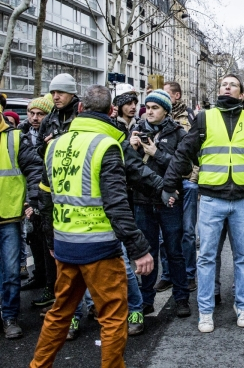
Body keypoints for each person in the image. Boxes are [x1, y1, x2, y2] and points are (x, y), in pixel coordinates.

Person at [29, 85, 153, 366]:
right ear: (111, 111)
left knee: (60, 312)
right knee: (112, 316)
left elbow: (44, 200)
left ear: (81, 108)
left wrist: (51, 242)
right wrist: (139, 249)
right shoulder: (106, 145)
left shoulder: (54, 145)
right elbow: (116, 204)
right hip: (99, 247)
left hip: (65, 244)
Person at [161, 74, 244, 333]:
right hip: (211, 199)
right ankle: (206, 311)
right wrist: (168, 185)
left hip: (243, 200)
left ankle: (243, 307)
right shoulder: (205, 118)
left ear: (242, 93)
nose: (226, 87)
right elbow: (184, 152)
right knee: (206, 257)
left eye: (232, 84)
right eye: (223, 84)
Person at [129, 89, 191, 317]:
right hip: (142, 200)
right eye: (147, 107)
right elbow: (130, 168)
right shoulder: (137, 131)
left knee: (174, 251)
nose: (149, 111)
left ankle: (181, 299)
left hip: (170, 201)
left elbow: (185, 168)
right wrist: (132, 149)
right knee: (148, 252)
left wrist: (157, 153)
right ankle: (146, 300)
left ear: (166, 110)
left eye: (155, 107)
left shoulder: (178, 133)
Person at [32, 73, 81, 309]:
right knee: (51, 243)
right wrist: (47, 145)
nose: (55, 96)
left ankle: (83, 303)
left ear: (71, 92)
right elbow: (40, 152)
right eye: (52, 92)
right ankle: (57, 294)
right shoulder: (48, 119)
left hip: (76, 184)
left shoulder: (80, 115)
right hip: (50, 185)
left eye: (60, 92)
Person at [0, 109, 42, 339]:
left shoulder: (14, 137)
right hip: (9, 216)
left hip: (9, 217)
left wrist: (31, 199)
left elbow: (34, 169)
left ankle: (9, 316)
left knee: (11, 272)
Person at [159, 81, 200, 292]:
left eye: (166, 94)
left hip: (187, 182)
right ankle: (168, 274)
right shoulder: (158, 118)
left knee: (188, 232)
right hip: (165, 182)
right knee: (165, 234)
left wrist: (192, 180)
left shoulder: (191, 117)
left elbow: (195, 151)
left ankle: (189, 273)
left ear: (176, 96)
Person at [18, 95, 53, 292]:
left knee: (47, 241)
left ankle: (50, 284)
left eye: (40, 114)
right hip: (26, 197)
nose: (35, 117)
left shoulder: (51, 135)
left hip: (44, 195)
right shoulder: (21, 133)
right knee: (33, 239)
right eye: (32, 113)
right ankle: (39, 276)